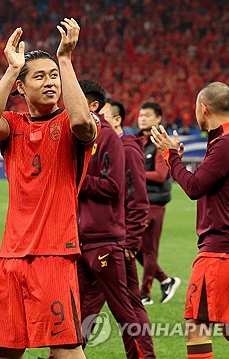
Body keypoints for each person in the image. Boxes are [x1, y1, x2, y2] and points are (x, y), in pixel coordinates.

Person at [0, 19, 97, 359]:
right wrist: (11, 69)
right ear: (21, 87)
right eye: (40, 76)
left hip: (55, 254)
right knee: (2, 352)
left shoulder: (71, 121)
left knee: (65, 352)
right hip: (11, 255)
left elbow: (81, 123)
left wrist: (66, 60)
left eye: (53, 75)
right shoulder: (13, 125)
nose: (50, 82)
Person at [150, 81, 229, 359]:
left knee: (196, 324)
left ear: (203, 109)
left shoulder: (226, 144)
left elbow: (193, 187)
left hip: (220, 251)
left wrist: (170, 157)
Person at [77, 81, 152, 359]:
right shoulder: (80, 137)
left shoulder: (110, 139)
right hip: (80, 238)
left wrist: (77, 178)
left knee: (125, 310)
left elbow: (114, 187)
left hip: (106, 240)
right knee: (81, 309)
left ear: (93, 105)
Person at [100, 98, 155, 358]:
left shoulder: (128, 148)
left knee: (128, 307)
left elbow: (138, 199)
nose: (97, 121)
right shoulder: (105, 146)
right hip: (102, 240)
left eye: (102, 115)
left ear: (118, 119)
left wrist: (131, 243)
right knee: (85, 304)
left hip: (119, 242)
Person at [135, 102, 180, 305]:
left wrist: (134, 173)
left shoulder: (161, 143)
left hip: (154, 203)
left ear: (158, 119)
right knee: (134, 246)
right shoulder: (137, 141)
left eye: (147, 115)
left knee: (148, 249)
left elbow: (161, 175)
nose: (142, 118)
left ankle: (145, 294)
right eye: (141, 115)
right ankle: (165, 280)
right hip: (139, 201)